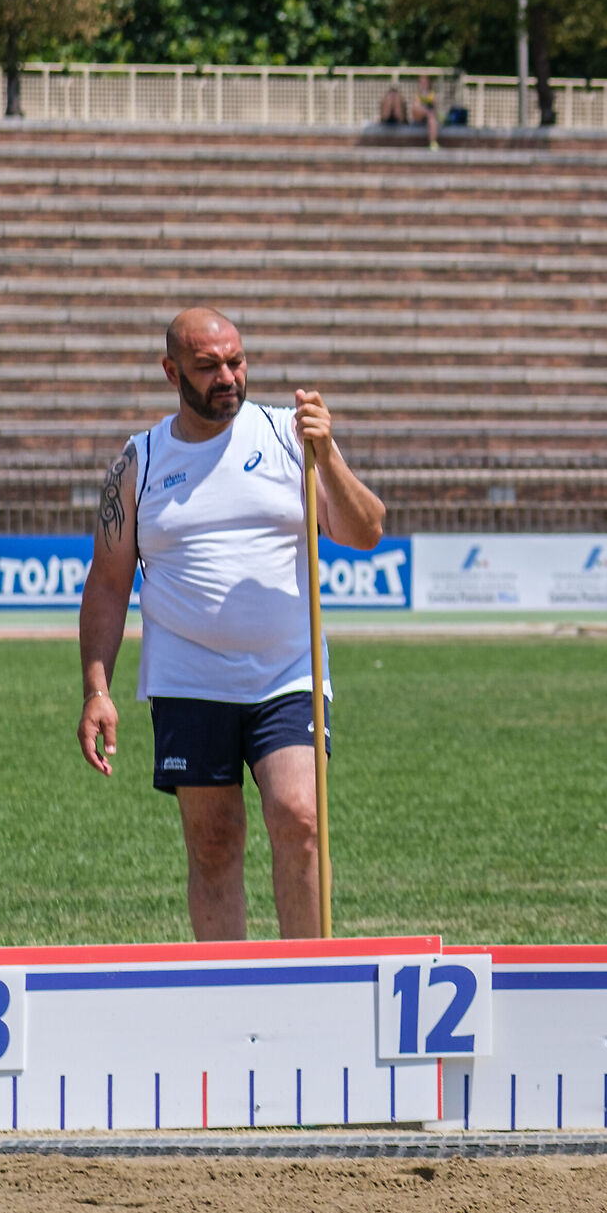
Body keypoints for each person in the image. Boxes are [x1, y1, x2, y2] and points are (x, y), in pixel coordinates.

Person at [76, 308, 389, 941]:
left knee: (300, 819)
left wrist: (327, 455)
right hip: (188, 680)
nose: (227, 376)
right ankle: (230, 986)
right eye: (208, 366)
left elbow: (367, 531)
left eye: (236, 361)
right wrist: (96, 689)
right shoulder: (140, 462)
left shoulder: (288, 436)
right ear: (172, 373)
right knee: (214, 840)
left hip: (288, 673)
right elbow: (108, 584)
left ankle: (311, 978)